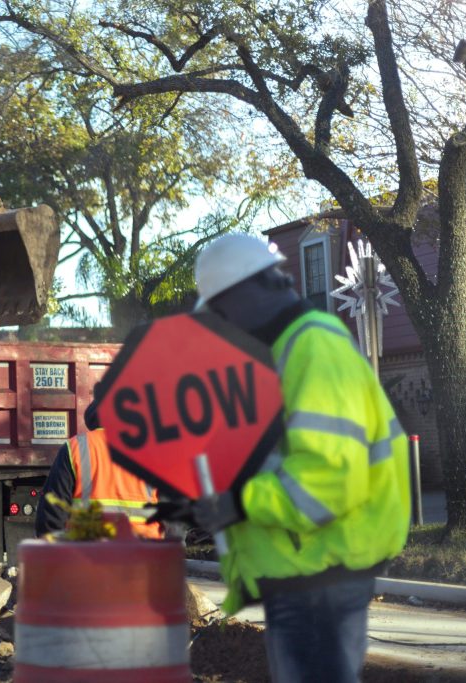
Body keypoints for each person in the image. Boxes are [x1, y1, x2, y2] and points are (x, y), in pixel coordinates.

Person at [156, 233, 410, 683]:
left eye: (220, 311)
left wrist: (238, 503)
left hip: (321, 565)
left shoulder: (312, 348)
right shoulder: (288, 350)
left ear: (244, 293)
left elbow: (328, 478)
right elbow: (273, 460)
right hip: (309, 565)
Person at [35, 400, 163, 539]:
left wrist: (52, 551)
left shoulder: (76, 447)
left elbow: (53, 510)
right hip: (145, 550)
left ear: (94, 417)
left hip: (89, 550)